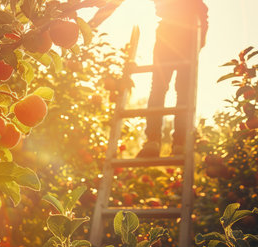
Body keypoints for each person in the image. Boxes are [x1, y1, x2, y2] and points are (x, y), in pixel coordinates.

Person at [89, 0, 209, 157]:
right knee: (171, 88)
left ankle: (169, 142)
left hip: (186, 29)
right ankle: (164, 142)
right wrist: (92, 23)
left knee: (167, 88)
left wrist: (92, 24)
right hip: (175, 29)